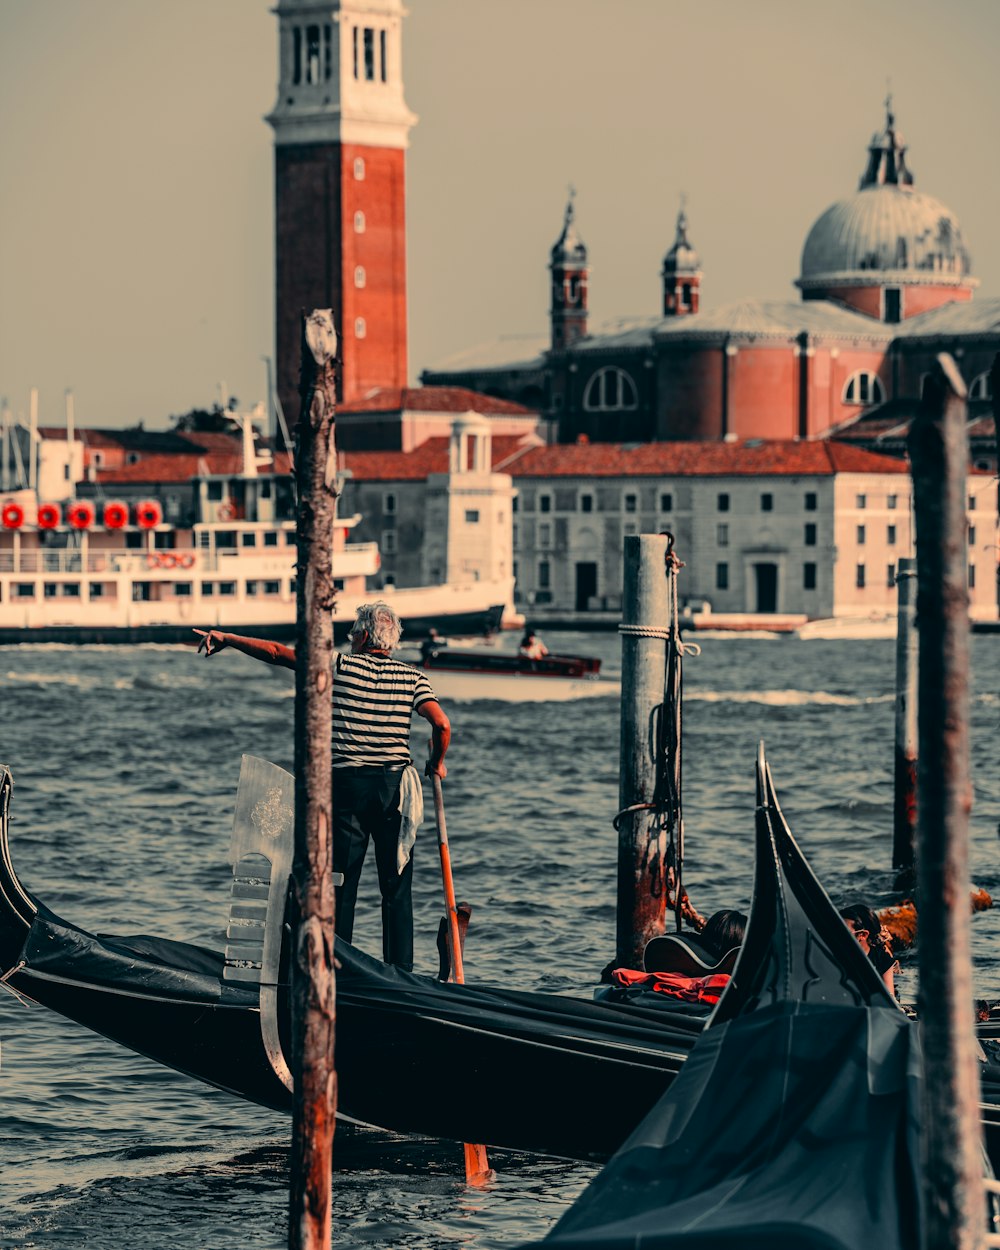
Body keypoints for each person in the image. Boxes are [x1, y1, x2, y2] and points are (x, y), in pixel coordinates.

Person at [194, 602, 450, 972]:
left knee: (340, 885)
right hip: (393, 790)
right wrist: (437, 762)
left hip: (346, 788)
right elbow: (441, 725)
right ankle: (399, 974)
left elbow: (278, 653)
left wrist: (229, 638)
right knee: (395, 889)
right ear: (392, 642)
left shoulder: (340, 664)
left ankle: (334, 966)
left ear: (362, 636)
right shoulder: (414, 678)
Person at [840, 903, 898, 997]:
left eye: (842, 930)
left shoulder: (881, 958)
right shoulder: (834, 954)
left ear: (862, 935)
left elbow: (889, 997)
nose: (836, 933)